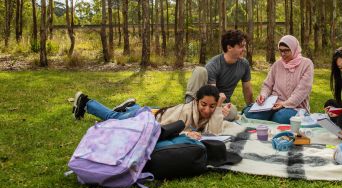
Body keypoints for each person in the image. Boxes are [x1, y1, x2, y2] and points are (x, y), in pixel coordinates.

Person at [72, 85, 227, 138]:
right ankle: (85, 102)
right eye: (203, 104)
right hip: (145, 118)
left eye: (212, 106)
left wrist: (219, 107)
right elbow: (164, 129)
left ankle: (131, 105)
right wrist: (187, 133)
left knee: (120, 115)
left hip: (153, 112)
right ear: (196, 101)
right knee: (113, 117)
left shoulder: (210, 111)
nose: (207, 110)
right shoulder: (186, 112)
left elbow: (214, 132)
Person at [184, 30, 253, 121]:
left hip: (223, 106)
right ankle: (189, 111)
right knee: (200, 70)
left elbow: (247, 88)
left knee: (233, 111)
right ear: (229, 47)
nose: (244, 49)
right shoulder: (213, 65)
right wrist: (217, 107)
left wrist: (251, 108)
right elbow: (212, 95)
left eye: (244, 46)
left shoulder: (244, 64)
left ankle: (204, 117)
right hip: (207, 102)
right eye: (241, 46)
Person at [244, 35, 314, 124]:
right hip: (273, 103)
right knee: (250, 115)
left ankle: (269, 118)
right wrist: (263, 95)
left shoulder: (306, 64)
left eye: (286, 51)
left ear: (294, 49)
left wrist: (284, 104)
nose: (282, 54)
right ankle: (267, 116)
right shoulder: (277, 64)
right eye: (280, 50)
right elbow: (267, 85)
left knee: (280, 118)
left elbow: (302, 91)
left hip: (295, 106)